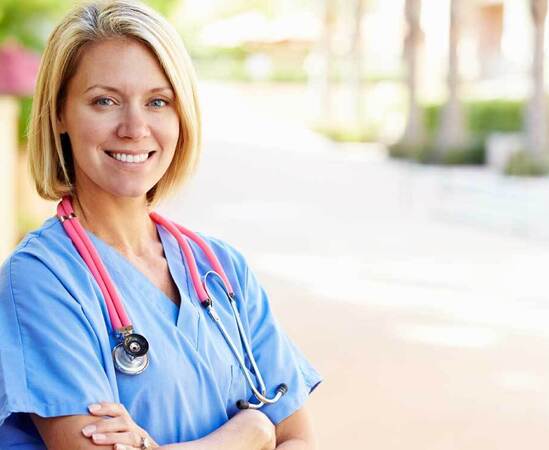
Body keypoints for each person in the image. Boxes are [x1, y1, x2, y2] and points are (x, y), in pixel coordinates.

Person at [0, 1, 322, 449]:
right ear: (59, 114)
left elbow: (299, 437)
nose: (134, 127)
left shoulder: (221, 269)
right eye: (104, 101)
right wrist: (249, 433)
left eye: (157, 101)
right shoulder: (41, 279)